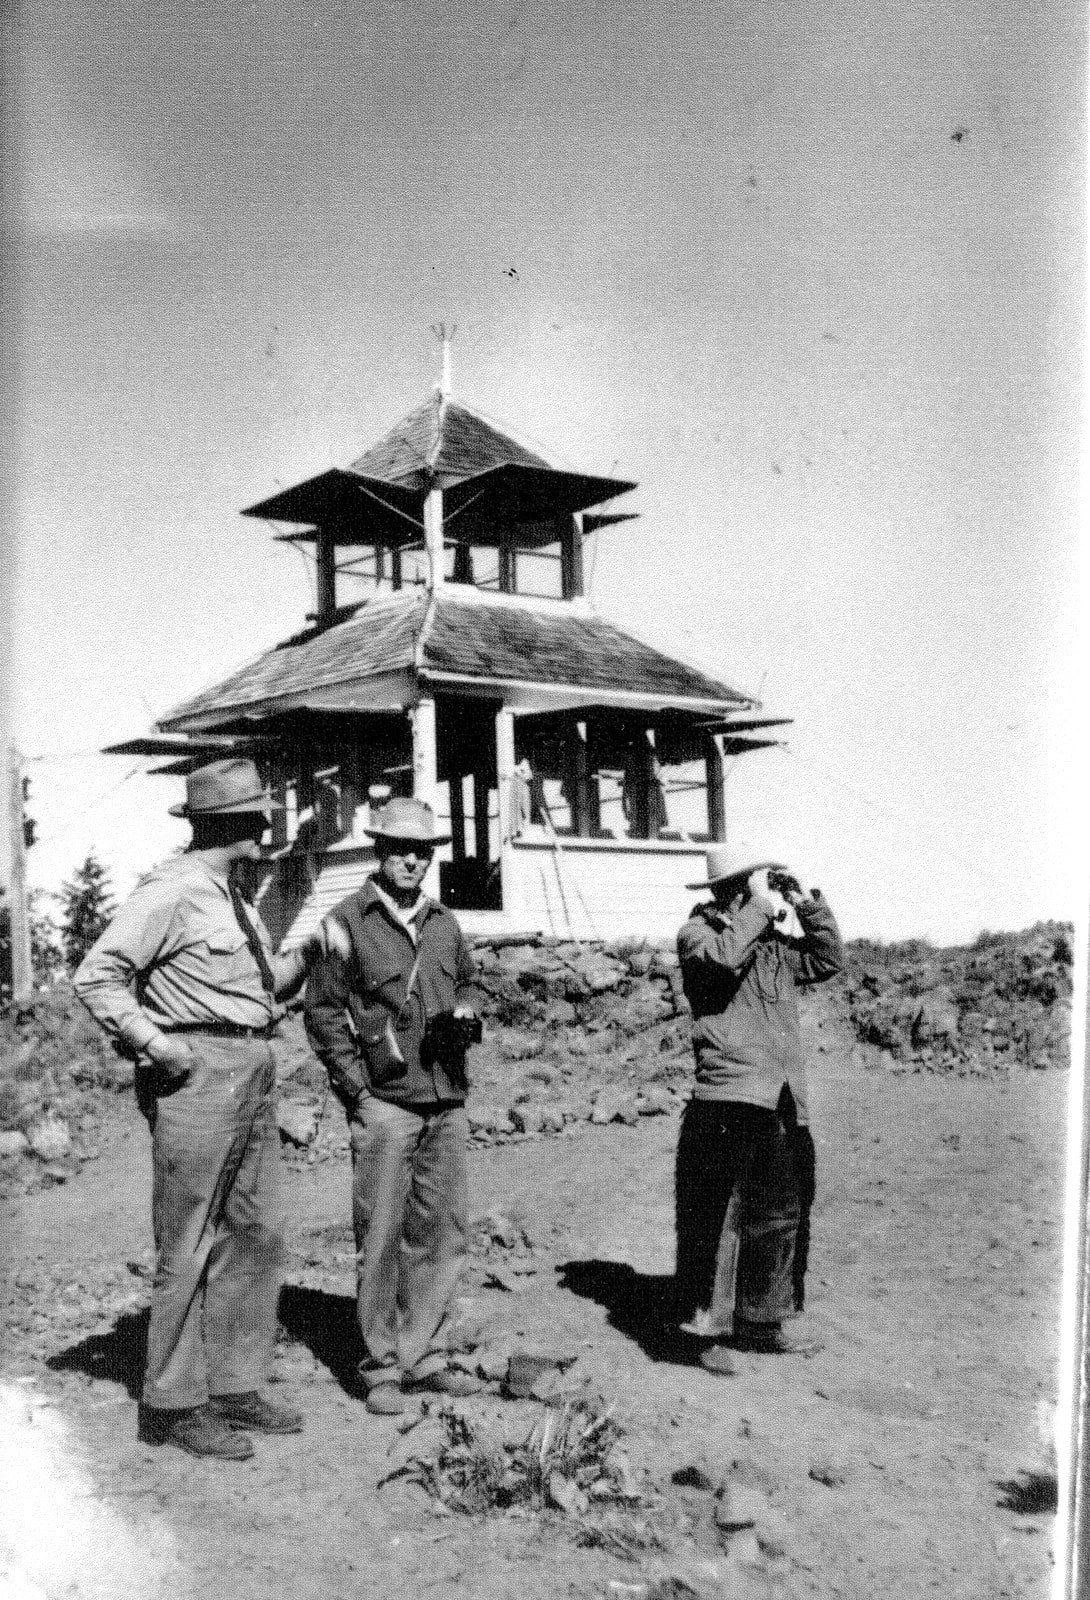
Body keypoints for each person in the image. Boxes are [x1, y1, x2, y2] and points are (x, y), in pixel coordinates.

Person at [73, 758, 330, 1459]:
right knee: (187, 1238)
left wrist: (311, 953)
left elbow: (260, 988)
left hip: (250, 1065)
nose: (268, 826)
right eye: (257, 816)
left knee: (256, 1232)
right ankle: (173, 1402)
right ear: (229, 824)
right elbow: (96, 975)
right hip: (196, 1073)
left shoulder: (233, 895)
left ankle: (234, 1384)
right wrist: (157, 1045)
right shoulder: (175, 890)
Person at [303, 796, 482, 1416]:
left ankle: (425, 1354)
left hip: (446, 1098)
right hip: (385, 1102)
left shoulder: (445, 922)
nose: (412, 860)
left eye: (422, 851)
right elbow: (322, 1012)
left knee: (442, 1231)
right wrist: (356, 1089)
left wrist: (466, 1014)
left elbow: (467, 982)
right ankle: (379, 1365)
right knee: (380, 1233)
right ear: (379, 851)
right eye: (401, 849)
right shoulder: (345, 922)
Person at [674, 842, 844, 1375]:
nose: (759, 890)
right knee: (717, 1217)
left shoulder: (769, 941)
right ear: (729, 890)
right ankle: (708, 1331)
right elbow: (722, 963)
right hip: (728, 1092)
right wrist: (760, 909)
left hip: (782, 1095)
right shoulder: (697, 935)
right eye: (750, 883)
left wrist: (806, 903)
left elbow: (827, 959)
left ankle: (763, 1321)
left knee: (780, 1212)